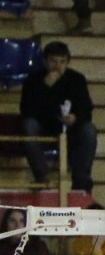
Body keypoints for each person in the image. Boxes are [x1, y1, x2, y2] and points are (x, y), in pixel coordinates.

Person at [20, 41, 97, 191]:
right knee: (29, 126)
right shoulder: (33, 80)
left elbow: (86, 108)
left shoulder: (77, 79)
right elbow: (27, 110)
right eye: (53, 61)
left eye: (62, 62)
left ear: (68, 62)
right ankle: (42, 177)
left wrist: (75, 117)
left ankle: (81, 181)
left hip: (70, 128)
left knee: (89, 130)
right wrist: (45, 87)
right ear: (45, 61)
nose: (58, 66)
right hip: (44, 126)